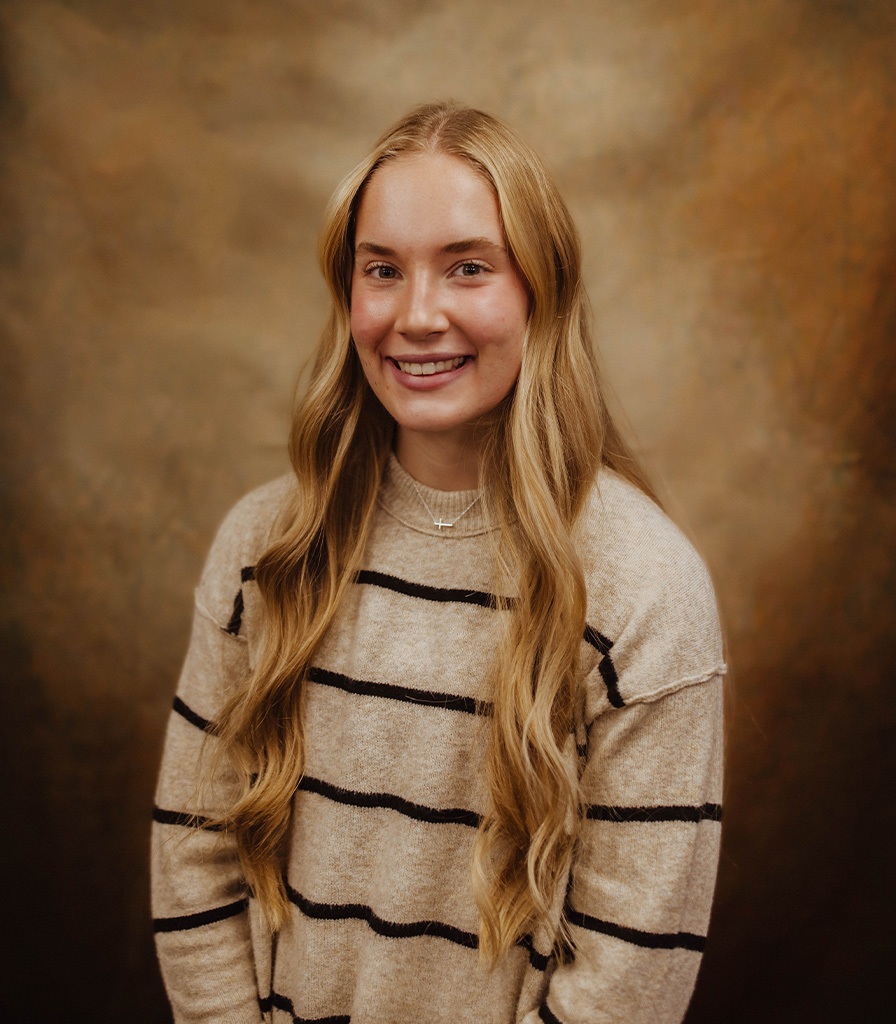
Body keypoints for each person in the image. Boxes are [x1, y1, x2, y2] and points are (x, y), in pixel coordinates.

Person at [151, 102, 726, 1024]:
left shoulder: (644, 590)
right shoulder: (265, 551)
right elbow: (195, 856)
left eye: (468, 267)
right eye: (382, 270)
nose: (417, 316)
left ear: (543, 289)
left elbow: (632, 972)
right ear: (348, 297)